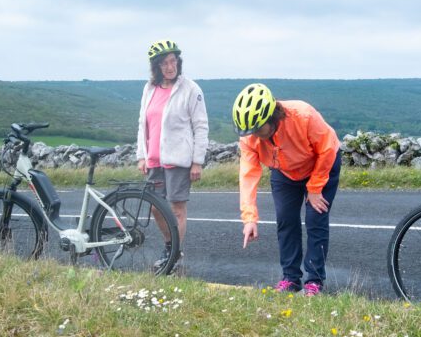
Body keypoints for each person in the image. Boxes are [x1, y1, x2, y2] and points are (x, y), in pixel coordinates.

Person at [233, 83, 341, 296]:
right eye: (250, 131)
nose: (254, 135)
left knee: (315, 218)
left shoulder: (303, 115)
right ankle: (291, 279)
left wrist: (315, 188)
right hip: (284, 171)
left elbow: (327, 149)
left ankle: (314, 282)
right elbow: (248, 175)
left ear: (271, 117)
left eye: (258, 129)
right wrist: (249, 218)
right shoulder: (249, 137)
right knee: (285, 219)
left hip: (321, 164)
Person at [136, 40, 209, 271]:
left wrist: (197, 161)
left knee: (177, 208)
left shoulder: (190, 89)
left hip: (179, 159)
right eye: (165, 63)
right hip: (155, 159)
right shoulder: (149, 89)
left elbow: (201, 126)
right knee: (156, 207)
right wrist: (142, 156)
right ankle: (171, 246)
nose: (170, 66)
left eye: (173, 61)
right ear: (156, 67)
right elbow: (142, 124)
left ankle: (173, 255)